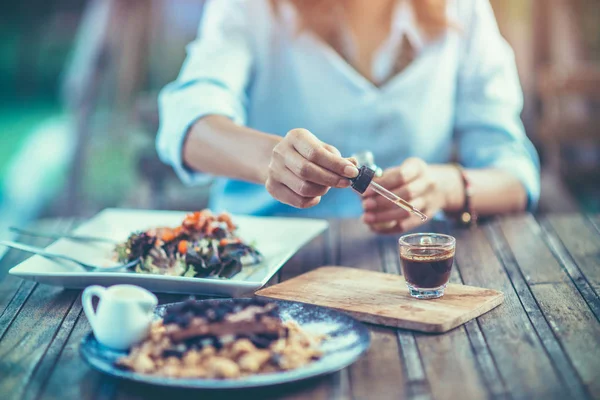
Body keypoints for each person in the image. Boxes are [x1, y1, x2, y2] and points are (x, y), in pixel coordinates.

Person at [156, 0, 540, 233]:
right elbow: (188, 125)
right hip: (261, 268)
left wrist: (443, 187)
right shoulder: (253, 8)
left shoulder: (463, 12)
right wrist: (269, 159)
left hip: (405, 274)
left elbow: (515, 175)